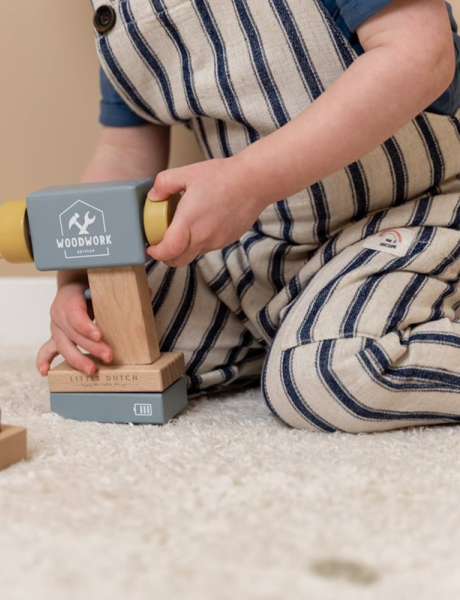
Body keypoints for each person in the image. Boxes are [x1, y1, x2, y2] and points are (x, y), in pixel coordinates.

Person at [37, 0, 460, 433]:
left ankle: (323, 336)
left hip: (414, 218)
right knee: (120, 337)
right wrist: (81, 279)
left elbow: (420, 56)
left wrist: (249, 180)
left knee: (330, 374)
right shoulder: (122, 12)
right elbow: (125, 151)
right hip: (254, 254)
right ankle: (295, 329)